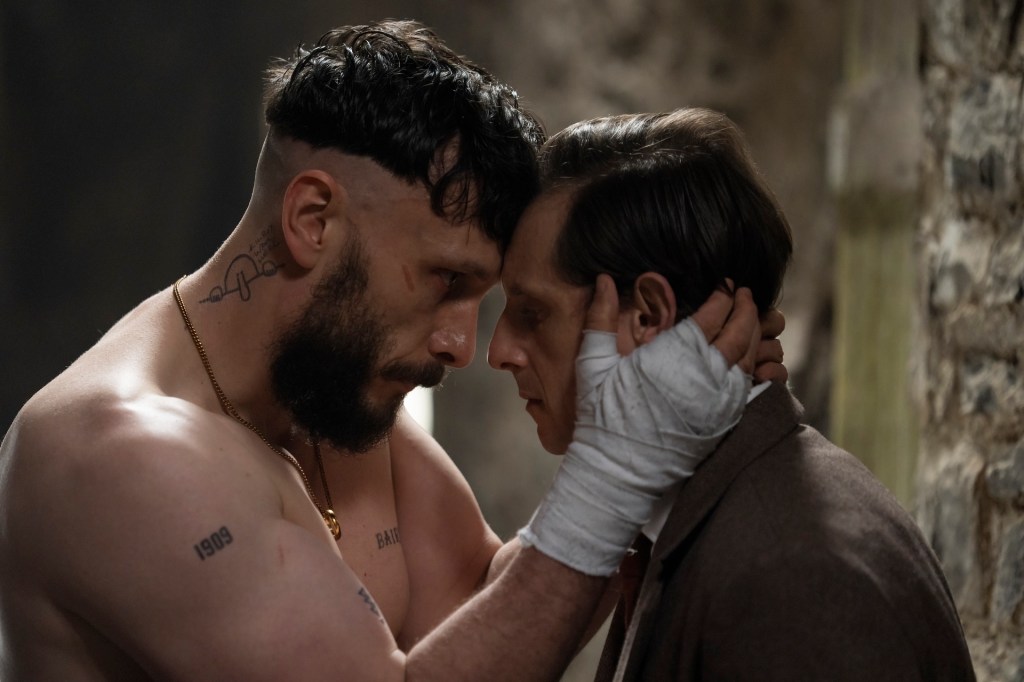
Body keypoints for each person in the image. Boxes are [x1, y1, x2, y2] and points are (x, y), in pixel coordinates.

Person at [0, 22, 770, 681]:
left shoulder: (326, 391)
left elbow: (484, 608)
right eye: (445, 281)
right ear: (313, 219)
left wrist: (653, 420)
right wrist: (617, 470)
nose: (460, 345)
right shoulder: (121, 454)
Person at [487, 108, 976, 681]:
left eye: (532, 313)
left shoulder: (792, 578)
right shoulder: (707, 516)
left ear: (647, 315)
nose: (498, 350)